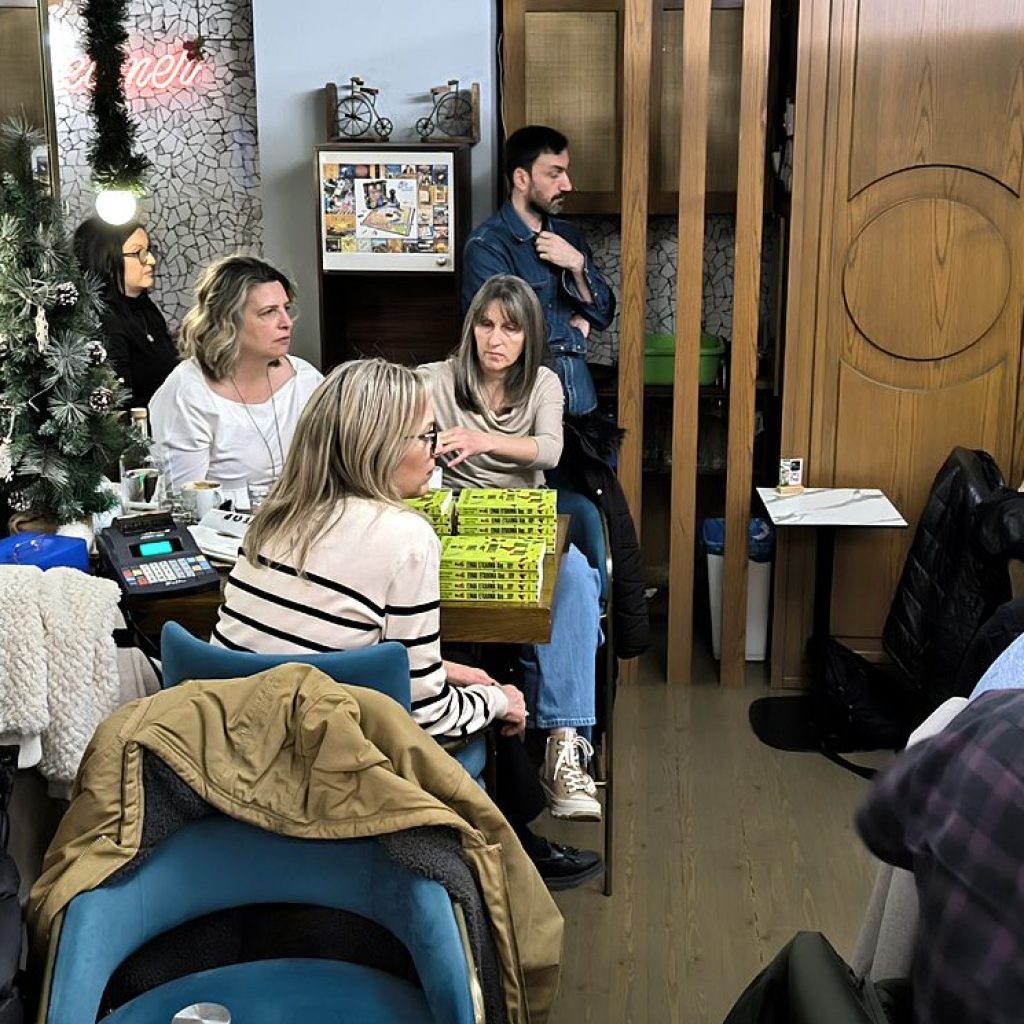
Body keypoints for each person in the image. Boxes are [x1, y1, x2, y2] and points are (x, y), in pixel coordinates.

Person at [212, 358, 599, 888]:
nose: (436, 449)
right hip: (321, 772)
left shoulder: (274, 516)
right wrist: (498, 701)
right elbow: (427, 717)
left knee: (464, 673)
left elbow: (322, 644)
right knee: (487, 708)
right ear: (382, 446)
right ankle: (510, 862)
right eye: (427, 434)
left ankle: (521, 846)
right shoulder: (406, 537)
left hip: (233, 747)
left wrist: (447, 670)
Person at [420, 275, 605, 823]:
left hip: (523, 522)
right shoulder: (437, 379)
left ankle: (564, 746)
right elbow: (387, 407)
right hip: (452, 526)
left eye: (511, 328)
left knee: (577, 578)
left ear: (529, 337)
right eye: (485, 324)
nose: (495, 339)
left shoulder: (543, 382)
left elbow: (549, 451)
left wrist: (481, 441)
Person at [462, 125, 615, 417]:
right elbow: (501, 334)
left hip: (581, 402)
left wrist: (577, 264)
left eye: (565, 172)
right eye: (555, 174)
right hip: (523, 410)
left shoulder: (569, 237)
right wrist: (573, 334)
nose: (567, 185)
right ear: (522, 178)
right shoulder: (486, 245)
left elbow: (603, 315)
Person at [148, 255, 323, 507]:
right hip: (219, 525)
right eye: (269, 312)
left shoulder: (305, 380)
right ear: (228, 321)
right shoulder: (188, 391)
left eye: (286, 308)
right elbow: (184, 505)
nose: (286, 323)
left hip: (302, 518)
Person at [72, 217, 177, 410]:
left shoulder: (145, 308)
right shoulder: (101, 321)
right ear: (106, 259)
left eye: (149, 250)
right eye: (138, 253)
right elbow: (122, 400)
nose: (151, 260)